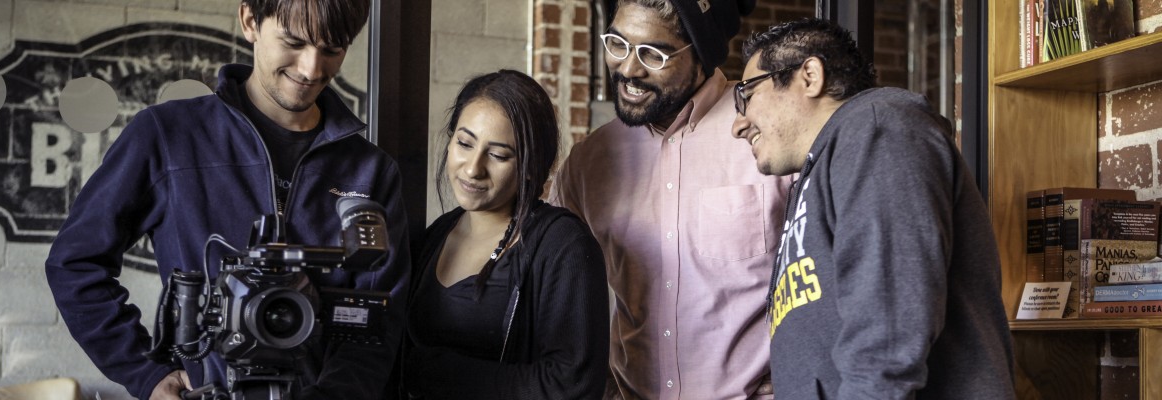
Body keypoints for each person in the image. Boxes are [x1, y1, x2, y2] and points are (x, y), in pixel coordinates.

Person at [44, 0, 410, 399]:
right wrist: (145, 373)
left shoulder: (371, 171)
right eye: (293, 41)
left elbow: (378, 318)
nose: (311, 69)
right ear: (250, 20)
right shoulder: (168, 135)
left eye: (332, 50)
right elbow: (75, 263)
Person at [731, 18, 1015, 399]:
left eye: (747, 94)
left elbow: (887, 338)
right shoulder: (825, 167)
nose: (739, 123)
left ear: (809, 76)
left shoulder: (878, 128)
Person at [548, 0, 793, 398]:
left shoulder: (767, 132)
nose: (628, 69)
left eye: (652, 53)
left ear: (701, 54)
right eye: (618, 44)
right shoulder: (588, 163)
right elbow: (556, 301)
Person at [401, 70, 609, 399]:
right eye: (465, 143)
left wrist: (439, 374)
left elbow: (573, 382)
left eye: (498, 155)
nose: (472, 168)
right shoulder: (435, 236)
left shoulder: (561, 244)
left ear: (530, 165)